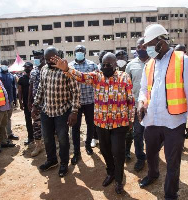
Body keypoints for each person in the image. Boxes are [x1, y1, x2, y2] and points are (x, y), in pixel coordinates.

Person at [51, 52, 135, 194]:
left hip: (120, 122)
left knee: (118, 152)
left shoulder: (124, 77)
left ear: (115, 64)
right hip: (101, 122)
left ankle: (119, 181)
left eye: (109, 64)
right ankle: (111, 172)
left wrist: (131, 119)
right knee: (105, 150)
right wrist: (66, 69)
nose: (106, 66)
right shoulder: (96, 76)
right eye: (103, 64)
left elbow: (130, 100)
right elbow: (81, 77)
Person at [138, 24, 188, 199]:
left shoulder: (183, 60)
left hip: (174, 121)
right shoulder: (150, 64)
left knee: (173, 161)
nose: (147, 48)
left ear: (160, 42)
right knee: (150, 153)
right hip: (152, 120)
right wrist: (141, 102)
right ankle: (153, 174)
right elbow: (143, 89)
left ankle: (170, 193)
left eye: (149, 44)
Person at [31, 47, 80, 177]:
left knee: (63, 139)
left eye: (51, 59)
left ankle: (64, 163)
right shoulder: (44, 70)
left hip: (62, 111)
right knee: (47, 138)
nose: (48, 62)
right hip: (46, 111)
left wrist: (74, 112)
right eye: (46, 59)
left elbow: (75, 92)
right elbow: (41, 88)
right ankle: (51, 160)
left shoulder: (66, 70)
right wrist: (35, 105)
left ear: (58, 56)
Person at [68, 45, 98, 165]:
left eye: (81, 51)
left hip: (90, 102)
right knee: (75, 128)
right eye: (77, 51)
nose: (79, 52)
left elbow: (97, 82)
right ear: (74, 52)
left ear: (85, 52)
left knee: (91, 125)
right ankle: (76, 152)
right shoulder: (69, 67)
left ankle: (88, 145)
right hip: (76, 103)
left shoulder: (92, 65)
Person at [125, 37, 148, 172]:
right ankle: (140, 157)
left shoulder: (155, 63)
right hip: (136, 106)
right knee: (137, 133)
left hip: (152, 106)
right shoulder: (131, 65)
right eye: (139, 47)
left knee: (152, 134)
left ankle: (153, 155)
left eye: (144, 47)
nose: (141, 49)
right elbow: (127, 87)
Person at [115, 50, 133, 161]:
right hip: (116, 106)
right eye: (118, 57)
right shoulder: (112, 70)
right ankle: (119, 151)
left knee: (129, 130)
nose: (121, 59)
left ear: (127, 58)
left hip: (129, 104)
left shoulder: (131, 67)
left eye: (123, 56)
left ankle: (127, 151)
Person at [28, 49, 45, 157]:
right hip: (36, 103)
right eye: (35, 58)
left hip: (48, 103)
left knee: (50, 125)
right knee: (36, 125)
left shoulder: (47, 69)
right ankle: (38, 146)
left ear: (43, 58)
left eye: (38, 57)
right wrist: (29, 100)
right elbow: (31, 86)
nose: (36, 60)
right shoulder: (33, 71)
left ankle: (51, 144)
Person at [0, 60, 19, 140]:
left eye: (6, 64)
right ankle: (2, 135)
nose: (5, 66)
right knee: (1, 119)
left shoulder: (11, 76)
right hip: (1, 102)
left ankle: (9, 133)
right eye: (3, 64)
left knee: (8, 118)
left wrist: (14, 100)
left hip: (9, 100)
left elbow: (14, 88)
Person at [91, 50, 107, 148]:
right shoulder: (97, 69)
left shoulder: (112, 67)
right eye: (102, 58)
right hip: (97, 99)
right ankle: (94, 138)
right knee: (95, 120)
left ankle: (104, 140)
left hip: (109, 99)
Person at [18, 62, 34, 145]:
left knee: (37, 120)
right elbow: (19, 91)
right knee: (28, 120)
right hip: (26, 103)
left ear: (31, 67)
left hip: (35, 102)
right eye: (25, 67)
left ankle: (38, 136)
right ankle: (30, 137)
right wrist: (20, 102)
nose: (26, 68)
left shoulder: (35, 77)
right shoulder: (21, 79)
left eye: (28, 67)